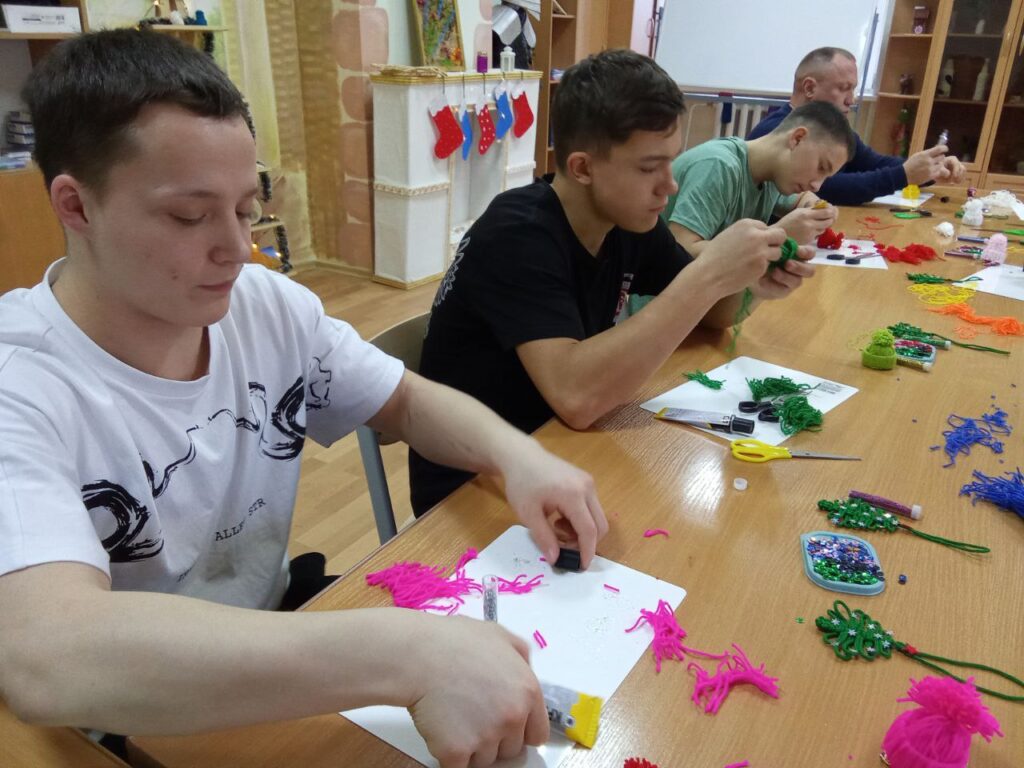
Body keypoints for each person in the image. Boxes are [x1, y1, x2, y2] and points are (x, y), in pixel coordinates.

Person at [0, 29, 610, 768]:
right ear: (76, 205)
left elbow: (406, 402)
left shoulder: (264, 305)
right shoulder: (21, 381)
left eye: (245, 208)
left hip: (280, 643)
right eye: (189, 216)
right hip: (125, 718)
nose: (237, 249)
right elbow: (47, 655)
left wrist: (518, 457)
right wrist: (403, 656)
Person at [410, 49, 816, 515]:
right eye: (649, 167)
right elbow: (576, 396)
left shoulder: (628, 219)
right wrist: (709, 275)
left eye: (671, 162)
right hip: (473, 485)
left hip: (556, 449)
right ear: (583, 168)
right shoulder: (517, 233)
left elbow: (709, 315)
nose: (670, 185)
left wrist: (751, 282)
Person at [747, 47, 966, 205]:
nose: (851, 100)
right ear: (810, 88)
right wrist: (903, 176)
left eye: (853, 90)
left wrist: (930, 168)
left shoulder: (833, 131)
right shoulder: (777, 132)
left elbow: (873, 163)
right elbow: (825, 188)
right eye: (843, 88)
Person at [664, 101, 855, 255]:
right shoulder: (718, 166)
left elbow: (803, 199)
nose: (817, 185)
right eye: (821, 167)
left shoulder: (772, 174)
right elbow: (681, 251)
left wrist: (815, 209)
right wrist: (777, 234)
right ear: (797, 139)